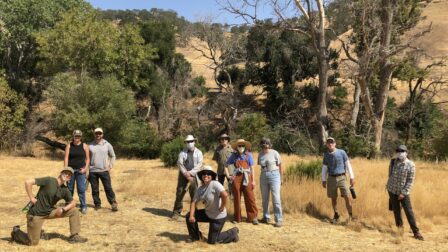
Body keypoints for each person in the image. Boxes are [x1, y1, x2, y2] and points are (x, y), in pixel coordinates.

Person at [10, 167, 88, 245]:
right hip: (36, 214)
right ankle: (16, 233)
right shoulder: (49, 180)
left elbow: (73, 202)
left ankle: (74, 236)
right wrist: (31, 197)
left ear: (70, 178)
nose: (67, 175)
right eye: (65, 173)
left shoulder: (64, 190)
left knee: (74, 211)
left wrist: (63, 209)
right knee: (33, 242)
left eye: (69, 175)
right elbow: (28, 182)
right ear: (61, 173)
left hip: (49, 212)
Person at [186, 166, 239, 244]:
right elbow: (194, 202)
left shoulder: (215, 184)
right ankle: (195, 236)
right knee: (188, 216)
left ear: (212, 176)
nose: (206, 175)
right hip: (208, 214)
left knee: (212, 241)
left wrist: (222, 206)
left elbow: (224, 195)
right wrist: (191, 216)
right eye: (204, 173)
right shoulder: (200, 189)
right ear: (201, 176)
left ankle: (233, 232)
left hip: (218, 217)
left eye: (208, 174)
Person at [387, 145, 424, 240]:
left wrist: (403, 193)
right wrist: (388, 186)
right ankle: (400, 230)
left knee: (409, 211)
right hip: (392, 190)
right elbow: (390, 175)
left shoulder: (410, 164)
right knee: (396, 211)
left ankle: (416, 232)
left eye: (402, 151)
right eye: (398, 151)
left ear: (406, 152)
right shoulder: (393, 162)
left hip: (404, 193)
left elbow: (410, 181)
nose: (400, 153)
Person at [321, 137, 355, 223]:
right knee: (333, 198)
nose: (330, 144)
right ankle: (336, 215)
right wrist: (323, 180)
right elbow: (324, 168)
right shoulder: (326, 155)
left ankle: (351, 216)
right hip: (331, 178)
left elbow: (348, 165)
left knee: (347, 196)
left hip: (342, 177)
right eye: (328, 143)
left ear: (335, 144)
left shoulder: (342, 152)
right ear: (327, 145)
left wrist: (352, 177)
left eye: (332, 142)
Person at [225, 139, 258, 225]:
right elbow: (226, 165)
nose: (241, 147)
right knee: (237, 197)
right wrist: (228, 175)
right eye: (239, 146)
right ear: (236, 147)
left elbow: (252, 168)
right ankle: (237, 218)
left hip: (247, 176)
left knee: (250, 197)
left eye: (242, 145)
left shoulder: (249, 155)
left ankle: (253, 217)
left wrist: (253, 181)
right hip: (237, 178)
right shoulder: (234, 156)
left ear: (245, 146)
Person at [171, 135, 203, 220]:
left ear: (194, 142)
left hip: (194, 175)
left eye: (191, 141)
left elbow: (199, 165)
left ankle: (194, 213)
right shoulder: (182, 153)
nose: (189, 143)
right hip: (183, 175)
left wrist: (191, 173)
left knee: (194, 194)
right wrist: (186, 174)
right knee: (180, 193)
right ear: (186, 143)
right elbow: (180, 164)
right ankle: (176, 212)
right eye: (188, 142)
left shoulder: (199, 152)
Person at [88, 128, 118, 211]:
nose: (98, 135)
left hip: (104, 171)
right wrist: (87, 169)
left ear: (102, 134)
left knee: (108, 188)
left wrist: (110, 166)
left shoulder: (107, 144)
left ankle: (113, 203)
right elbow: (87, 158)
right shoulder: (90, 145)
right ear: (94, 134)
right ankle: (97, 204)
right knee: (95, 189)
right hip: (93, 171)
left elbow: (113, 156)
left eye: (99, 133)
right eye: (96, 133)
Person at [258, 137, 283, 227]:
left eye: (267, 144)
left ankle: (279, 219)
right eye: (263, 145)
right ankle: (266, 217)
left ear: (269, 145)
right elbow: (260, 166)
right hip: (263, 175)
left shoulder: (275, 153)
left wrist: (281, 178)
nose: (265, 147)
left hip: (274, 175)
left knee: (276, 198)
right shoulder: (260, 154)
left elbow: (280, 165)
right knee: (265, 199)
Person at [64, 129, 90, 214]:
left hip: (80, 171)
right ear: (73, 136)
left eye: (78, 136)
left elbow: (88, 158)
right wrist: (66, 170)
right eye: (76, 136)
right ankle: (69, 205)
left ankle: (83, 206)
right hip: (70, 171)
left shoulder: (84, 146)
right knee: (69, 189)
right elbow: (66, 158)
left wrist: (85, 169)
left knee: (81, 189)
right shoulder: (69, 146)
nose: (77, 138)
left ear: (81, 137)